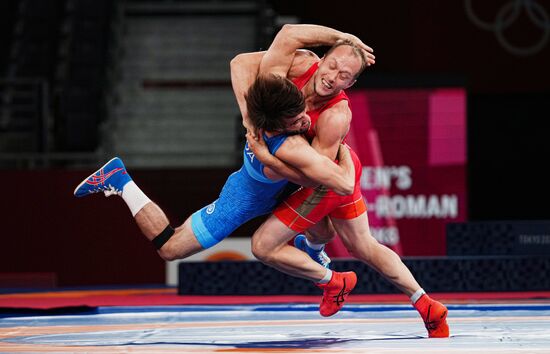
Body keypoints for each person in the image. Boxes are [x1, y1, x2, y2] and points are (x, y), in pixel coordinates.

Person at [234, 24, 449, 337]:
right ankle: (427, 305)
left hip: (327, 179)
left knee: (263, 246)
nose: (333, 77)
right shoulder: (300, 63)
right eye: (333, 66)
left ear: (353, 83)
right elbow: (269, 45)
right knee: (363, 245)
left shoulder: (336, 116)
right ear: (320, 58)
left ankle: (334, 280)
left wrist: (266, 157)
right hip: (338, 170)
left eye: (344, 76)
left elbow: (312, 177)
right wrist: (344, 38)